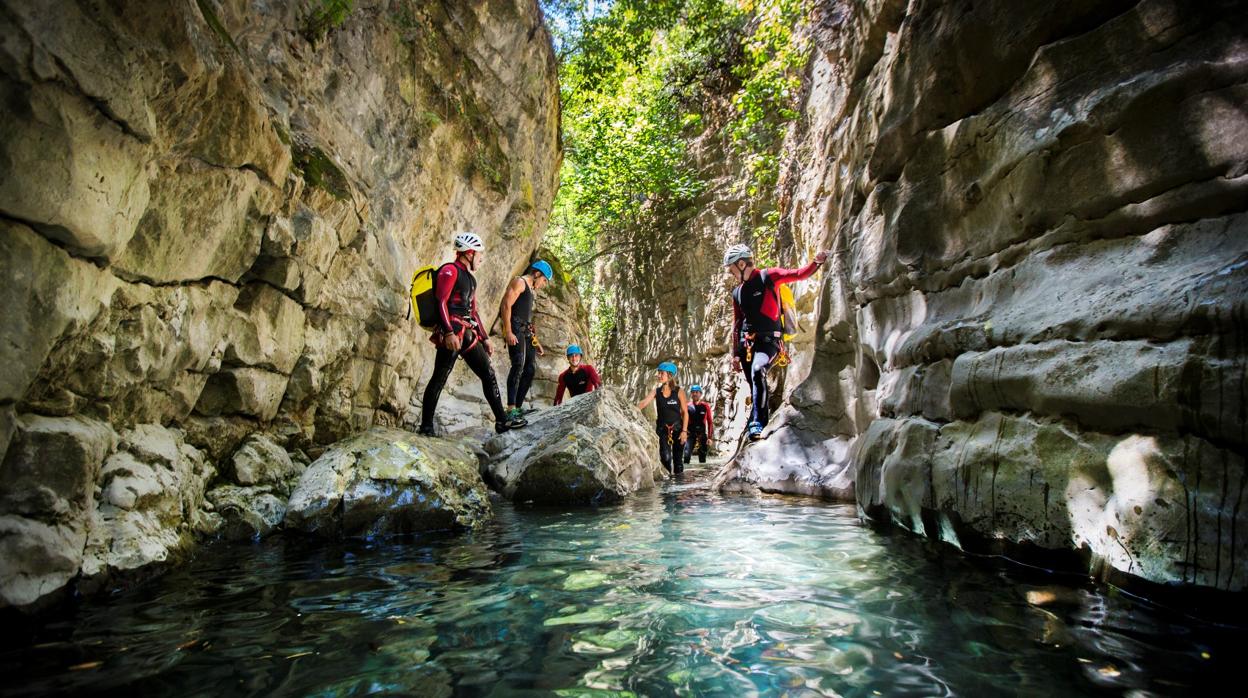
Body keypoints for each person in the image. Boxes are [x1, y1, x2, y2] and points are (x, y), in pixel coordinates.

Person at [420, 232, 527, 435]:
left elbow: (473, 312)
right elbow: (441, 301)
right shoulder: (449, 271)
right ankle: (426, 427)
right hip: (451, 335)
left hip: (467, 334)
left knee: (488, 373)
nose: (481, 258)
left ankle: (502, 421)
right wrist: (449, 332)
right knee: (439, 378)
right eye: (479, 254)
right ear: (469, 253)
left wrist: (485, 338)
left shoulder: (470, 279)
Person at [723, 244, 828, 441]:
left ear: (742, 263)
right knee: (754, 380)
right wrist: (736, 354)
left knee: (757, 370)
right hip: (747, 344)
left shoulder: (768, 276)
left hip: (769, 341)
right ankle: (756, 417)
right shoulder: (737, 293)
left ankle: (758, 423)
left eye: (732, 269)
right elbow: (737, 324)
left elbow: (797, 274)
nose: (730, 273)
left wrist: (817, 262)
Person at [500, 260, 553, 422]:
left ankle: (518, 406)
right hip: (515, 328)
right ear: (537, 274)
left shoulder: (530, 289)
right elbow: (506, 305)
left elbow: (526, 320)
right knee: (518, 365)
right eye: (544, 280)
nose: (544, 284)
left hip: (525, 331)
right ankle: (510, 408)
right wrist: (508, 331)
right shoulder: (520, 282)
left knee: (529, 369)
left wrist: (536, 342)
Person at [636, 362, 688, 474]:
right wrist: (630, 409)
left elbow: (685, 412)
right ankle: (667, 489)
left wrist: (684, 431)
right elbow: (644, 402)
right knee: (666, 459)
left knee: (678, 462)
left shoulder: (679, 391)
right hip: (662, 430)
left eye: (661, 373)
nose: (658, 375)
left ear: (669, 375)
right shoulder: (656, 392)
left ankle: (678, 489)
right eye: (658, 373)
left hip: (678, 430)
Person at [684, 385, 714, 465]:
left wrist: (710, 438)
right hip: (690, 435)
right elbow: (683, 420)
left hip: (702, 434)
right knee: (686, 456)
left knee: (702, 459)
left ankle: (702, 475)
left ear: (700, 394)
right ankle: (684, 476)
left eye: (697, 392)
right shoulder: (688, 406)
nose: (695, 394)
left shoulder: (705, 406)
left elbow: (710, 422)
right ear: (691, 394)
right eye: (693, 392)